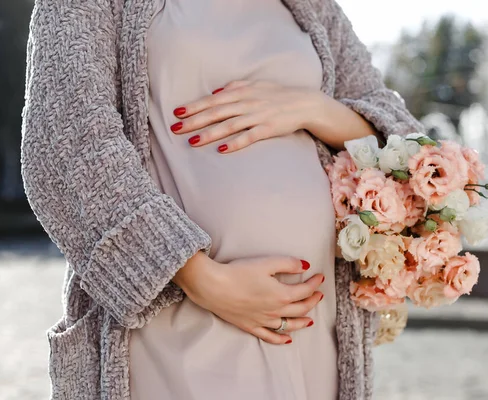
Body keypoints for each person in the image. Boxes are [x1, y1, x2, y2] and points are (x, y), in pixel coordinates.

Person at [21, 0, 424, 399]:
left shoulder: (313, 6)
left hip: (314, 325)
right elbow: (66, 141)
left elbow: (408, 143)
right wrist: (201, 279)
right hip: (171, 319)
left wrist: (311, 107)